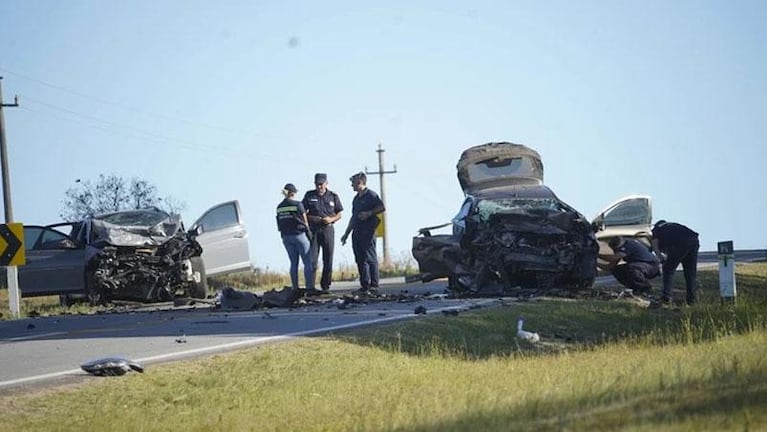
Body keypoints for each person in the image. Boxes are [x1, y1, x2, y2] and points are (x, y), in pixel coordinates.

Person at [340, 172, 385, 294]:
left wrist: (369, 213)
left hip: (369, 231)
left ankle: (374, 285)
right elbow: (353, 217)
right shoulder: (356, 199)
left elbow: (382, 207)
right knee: (360, 258)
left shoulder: (371, 195)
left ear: (360, 183)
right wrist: (346, 233)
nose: (351, 186)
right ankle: (364, 285)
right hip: (357, 231)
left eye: (353, 183)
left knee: (370, 257)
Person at [302, 173, 344, 292]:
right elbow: (302, 212)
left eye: (321, 184)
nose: (319, 186)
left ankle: (325, 286)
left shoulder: (333, 196)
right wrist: (311, 219)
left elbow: (339, 213)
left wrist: (330, 219)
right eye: (317, 184)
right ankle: (311, 287)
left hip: (328, 229)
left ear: (326, 183)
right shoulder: (309, 195)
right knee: (312, 260)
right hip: (314, 229)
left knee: (328, 258)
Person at [276, 183, 316, 295]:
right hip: (299, 235)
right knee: (307, 262)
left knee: (293, 263)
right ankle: (309, 288)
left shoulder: (279, 207)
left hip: (286, 237)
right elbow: (305, 221)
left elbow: (278, 222)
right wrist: (309, 232)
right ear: (293, 193)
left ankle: (295, 288)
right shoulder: (298, 205)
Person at [651, 220, 700, 305]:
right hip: (694, 239)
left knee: (667, 269)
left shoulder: (657, 229)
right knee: (690, 273)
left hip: (681, 242)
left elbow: (654, 245)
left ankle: (666, 297)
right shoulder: (672, 227)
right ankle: (691, 300)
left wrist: (661, 258)